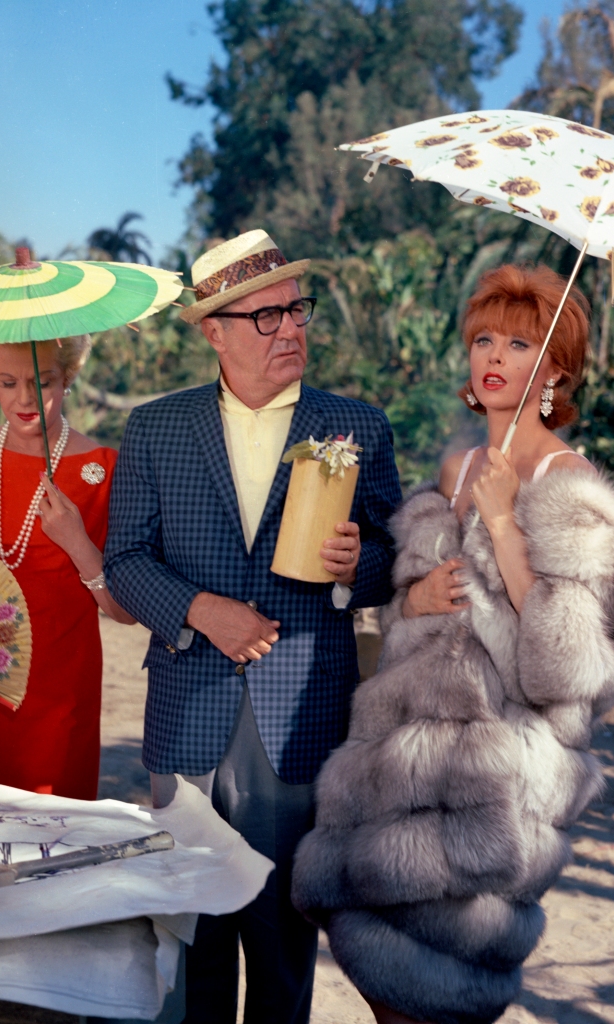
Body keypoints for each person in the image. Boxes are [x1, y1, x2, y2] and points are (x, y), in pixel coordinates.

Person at [292, 264, 614, 1024]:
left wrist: (505, 520)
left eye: (519, 342)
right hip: (406, 766)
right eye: (483, 339)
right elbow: (411, 621)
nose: (494, 356)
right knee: (376, 968)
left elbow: (559, 662)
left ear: (555, 373)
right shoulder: (457, 466)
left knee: (442, 996)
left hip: (495, 784)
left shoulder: (570, 485)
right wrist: (416, 595)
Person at [103, 229, 402, 1024]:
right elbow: (125, 560)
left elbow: (394, 558)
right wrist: (202, 611)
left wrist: (354, 564)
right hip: (188, 710)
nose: (291, 329)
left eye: (296, 310)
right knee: (187, 942)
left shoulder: (358, 426)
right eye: (265, 317)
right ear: (215, 330)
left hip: (300, 716)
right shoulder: (156, 428)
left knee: (281, 948)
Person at [0, 336, 134, 800]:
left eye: (43, 382)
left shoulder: (105, 469)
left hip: (60, 699)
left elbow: (125, 612)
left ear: (69, 376)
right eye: (8, 382)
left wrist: (78, 543)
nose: (24, 398)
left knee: (50, 849)